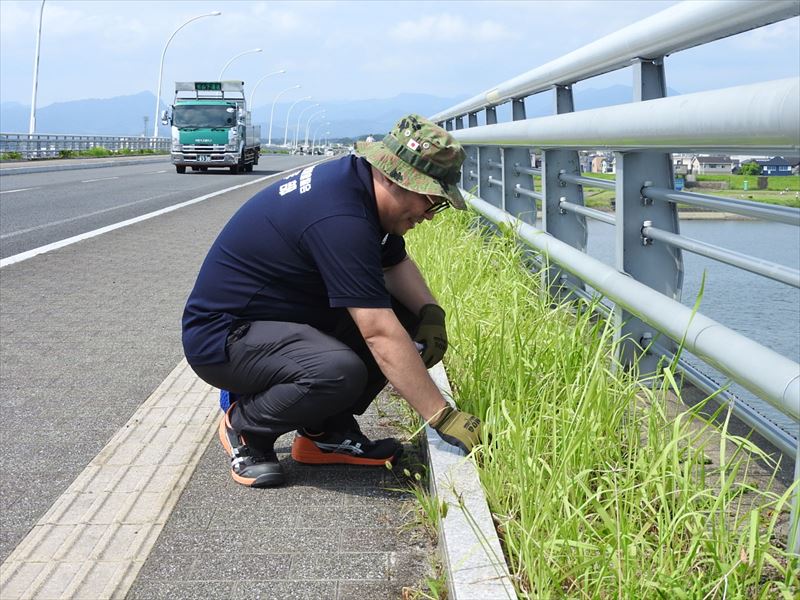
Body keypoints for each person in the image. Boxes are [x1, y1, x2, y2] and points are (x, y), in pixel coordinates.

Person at [182, 114, 482, 488]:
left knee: (408, 315)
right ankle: (246, 427)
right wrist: (441, 417)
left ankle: (324, 434)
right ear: (393, 177)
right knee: (338, 370)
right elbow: (378, 334)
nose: (428, 214)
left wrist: (431, 314)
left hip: (282, 323)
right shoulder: (340, 216)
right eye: (429, 200)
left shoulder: (356, 186)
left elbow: (395, 262)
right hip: (225, 338)